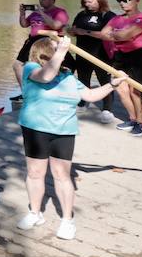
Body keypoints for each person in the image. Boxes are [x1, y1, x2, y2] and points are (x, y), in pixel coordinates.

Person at [17, 37, 123, 240]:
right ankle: (35, 213)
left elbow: (90, 95)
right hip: (36, 128)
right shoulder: (30, 69)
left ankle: (67, 220)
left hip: (64, 130)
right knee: (35, 172)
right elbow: (46, 76)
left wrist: (112, 85)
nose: (63, 54)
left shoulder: (67, 76)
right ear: (45, 53)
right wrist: (61, 50)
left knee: (62, 175)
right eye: (56, 50)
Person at [94, 0, 142, 136]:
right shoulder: (116, 19)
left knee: (137, 91)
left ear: (136, 1)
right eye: (119, 0)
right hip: (120, 56)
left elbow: (124, 35)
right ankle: (134, 119)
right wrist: (119, 36)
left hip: (139, 57)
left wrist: (117, 35)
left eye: (126, 0)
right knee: (120, 89)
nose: (122, 3)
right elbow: (103, 34)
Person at [68, 0, 117, 123]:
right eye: (85, 2)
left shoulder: (108, 15)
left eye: (90, 1)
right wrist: (72, 31)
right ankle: (83, 103)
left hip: (102, 54)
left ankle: (107, 109)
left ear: (99, 0)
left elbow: (107, 35)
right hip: (82, 52)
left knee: (104, 80)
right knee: (83, 79)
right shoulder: (81, 14)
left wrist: (85, 32)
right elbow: (75, 30)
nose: (87, 4)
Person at [13, 0, 69, 99]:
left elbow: (56, 26)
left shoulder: (60, 12)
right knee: (17, 65)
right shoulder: (35, 13)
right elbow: (24, 24)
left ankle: (52, 91)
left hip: (48, 42)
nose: (41, 2)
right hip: (32, 41)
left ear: (52, 0)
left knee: (47, 66)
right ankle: (25, 92)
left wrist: (42, 13)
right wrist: (22, 14)